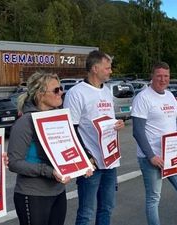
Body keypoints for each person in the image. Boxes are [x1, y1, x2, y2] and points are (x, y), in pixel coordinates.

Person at [9, 72, 81, 225]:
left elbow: (67, 150)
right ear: (40, 94)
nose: (61, 92)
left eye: (60, 88)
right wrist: (48, 171)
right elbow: (14, 163)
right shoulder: (25, 122)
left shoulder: (58, 119)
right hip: (33, 194)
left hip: (58, 191)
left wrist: (82, 165)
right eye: (56, 90)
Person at [64, 50, 125, 225]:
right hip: (91, 162)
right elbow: (71, 128)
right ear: (95, 68)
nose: (110, 71)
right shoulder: (76, 93)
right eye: (107, 68)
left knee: (107, 208)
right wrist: (85, 156)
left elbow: (106, 121)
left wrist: (117, 125)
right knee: (86, 212)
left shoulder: (106, 91)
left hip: (110, 159)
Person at [131, 62, 177, 225]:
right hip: (152, 158)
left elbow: (173, 120)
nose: (163, 79)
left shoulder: (169, 96)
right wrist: (151, 156)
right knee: (154, 198)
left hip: (172, 155)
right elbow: (137, 131)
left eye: (166, 76)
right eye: (159, 75)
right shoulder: (143, 98)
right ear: (152, 76)